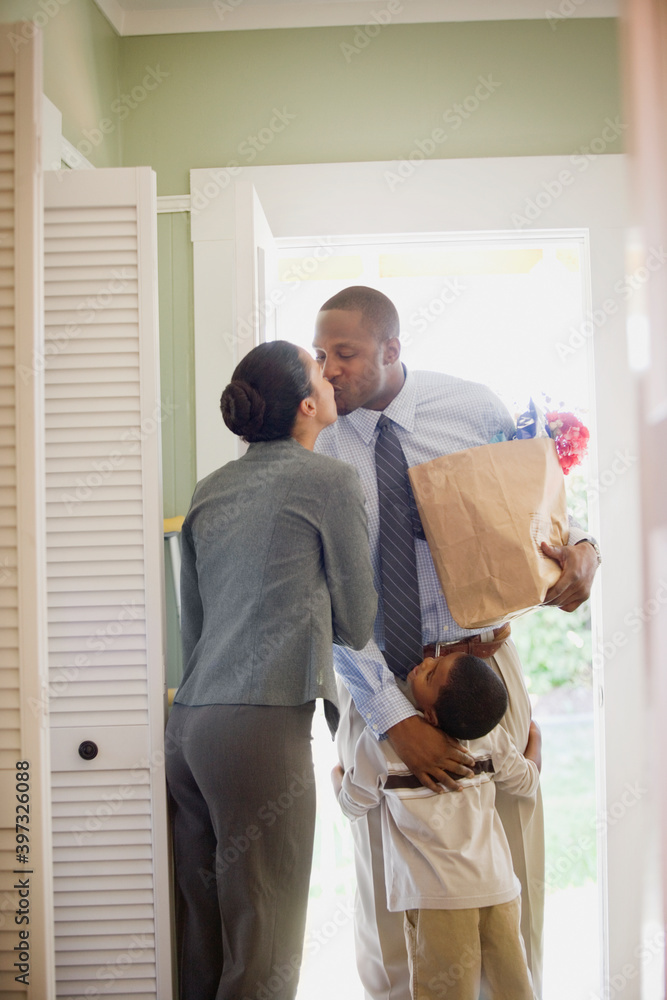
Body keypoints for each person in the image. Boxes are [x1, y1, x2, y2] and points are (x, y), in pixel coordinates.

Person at [313, 286, 601, 1000]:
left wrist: (585, 550)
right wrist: (394, 719)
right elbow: (322, 598)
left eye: (343, 354)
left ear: (390, 350)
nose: (328, 370)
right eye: (319, 355)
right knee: (387, 889)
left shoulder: (471, 407)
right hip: (371, 673)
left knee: (511, 857)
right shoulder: (313, 438)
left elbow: (536, 515)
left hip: (478, 671)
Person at [165, 340, 377, 1000]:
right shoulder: (327, 482)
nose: (331, 371)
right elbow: (357, 622)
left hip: (190, 726)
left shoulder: (211, 488)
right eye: (320, 368)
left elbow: (193, 628)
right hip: (259, 729)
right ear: (308, 405)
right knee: (267, 935)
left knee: (204, 931)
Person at [332, 651, 542, 1000]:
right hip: (499, 892)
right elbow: (526, 782)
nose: (426, 661)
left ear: (430, 714)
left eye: (430, 675)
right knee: (513, 990)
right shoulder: (490, 740)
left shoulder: (384, 744)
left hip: (435, 903)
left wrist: (336, 777)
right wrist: (536, 742)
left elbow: (354, 804)